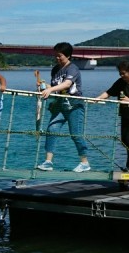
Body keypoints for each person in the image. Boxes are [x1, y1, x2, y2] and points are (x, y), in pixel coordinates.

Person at [37, 42, 91, 172]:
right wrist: (44, 88)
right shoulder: (55, 69)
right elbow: (55, 88)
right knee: (51, 129)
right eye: (55, 55)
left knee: (75, 134)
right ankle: (48, 161)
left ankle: (85, 163)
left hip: (74, 105)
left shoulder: (73, 69)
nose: (57, 58)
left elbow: (67, 84)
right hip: (60, 106)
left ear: (68, 55)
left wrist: (51, 90)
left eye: (59, 56)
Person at [95, 60, 129, 173]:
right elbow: (109, 92)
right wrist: (97, 99)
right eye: (120, 73)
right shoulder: (121, 82)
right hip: (125, 116)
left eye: (123, 73)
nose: (121, 75)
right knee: (125, 141)